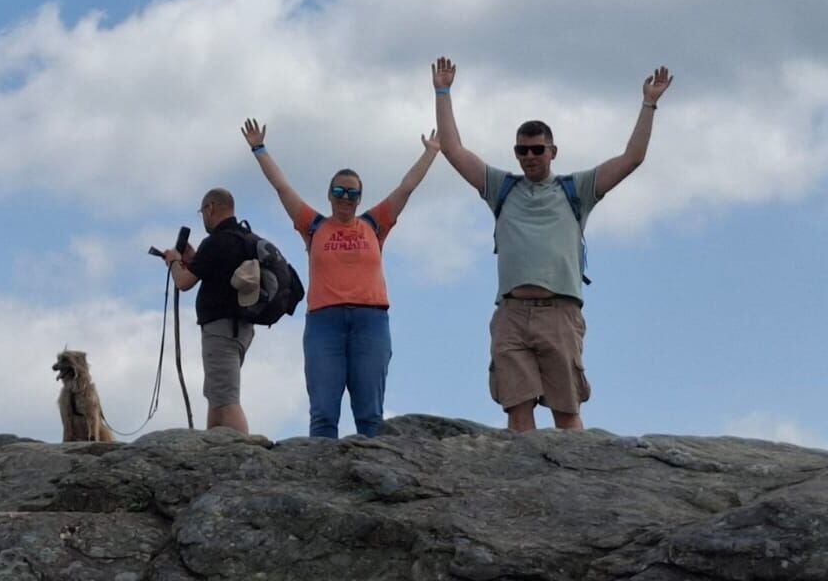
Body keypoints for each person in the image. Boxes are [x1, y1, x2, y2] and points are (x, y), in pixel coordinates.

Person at [432, 56, 673, 432]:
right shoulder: (502, 188)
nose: (529, 157)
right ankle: (524, 489)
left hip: (559, 312)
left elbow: (632, 159)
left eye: (537, 150)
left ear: (552, 152)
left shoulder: (577, 190)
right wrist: (442, 92)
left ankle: (578, 486)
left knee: (566, 410)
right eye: (522, 150)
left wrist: (649, 103)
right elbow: (453, 150)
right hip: (512, 313)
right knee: (517, 409)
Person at [241, 118, 439, 438]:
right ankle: (320, 485)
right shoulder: (314, 225)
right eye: (339, 191)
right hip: (325, 323)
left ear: (360, 198)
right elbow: (283, 188)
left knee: (370, 415)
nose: (345, 197)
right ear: (329, 195)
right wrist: (259, 148)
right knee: (323, 413)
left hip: (370, 321)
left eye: (352, 193)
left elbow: (406, 188)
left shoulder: (375, 224)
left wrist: (431, 153)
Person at [164, 189, 255, 433]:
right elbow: (216, 272)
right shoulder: (244, 237)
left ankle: (244, 453)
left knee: (225, 399)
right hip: (242, 328)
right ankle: (212, 451)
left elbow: (183, 282)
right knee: (216, 395)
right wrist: (194, 259)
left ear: (210, 208)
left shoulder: (216, 241)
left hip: (221, 328)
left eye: (202, 212)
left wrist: (173, 261)